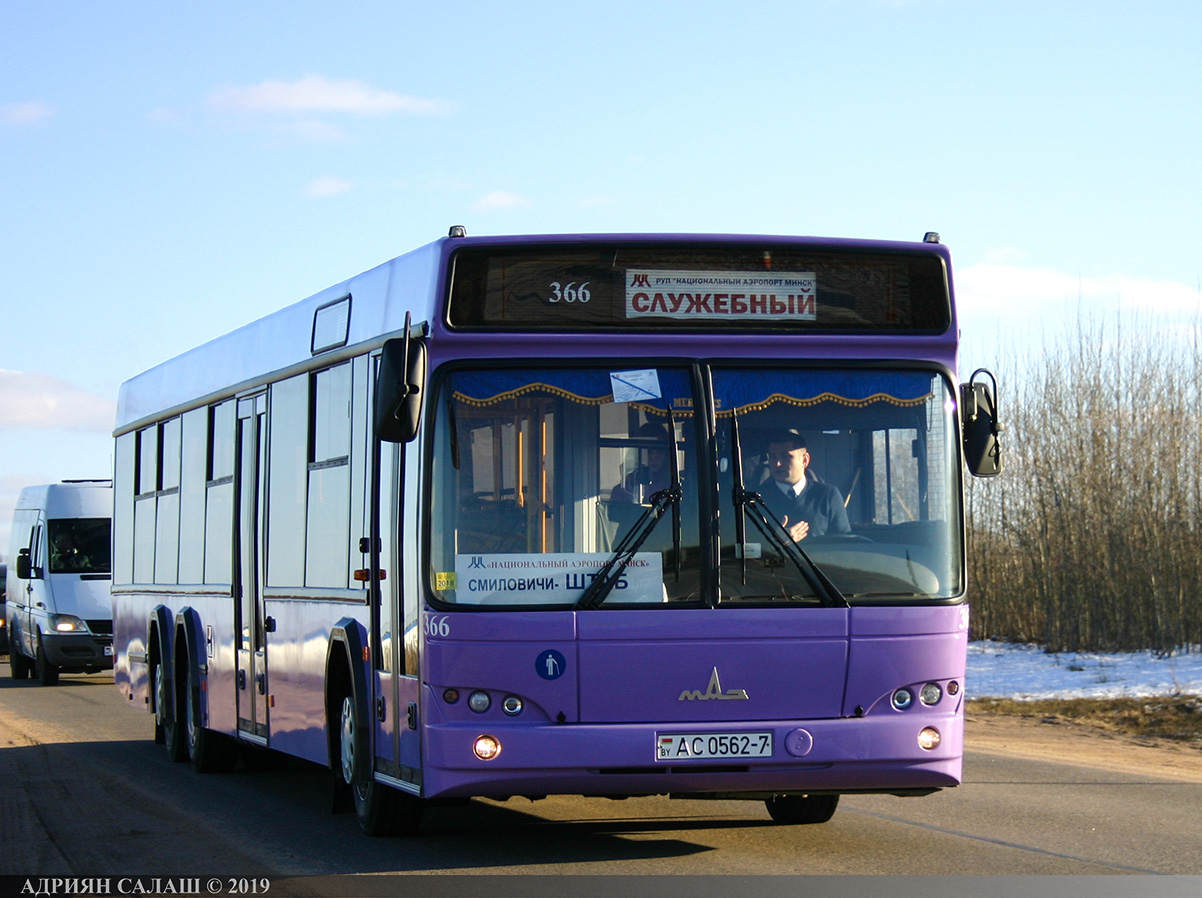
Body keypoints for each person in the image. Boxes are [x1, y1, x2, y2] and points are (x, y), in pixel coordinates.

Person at [759, 428, 851, 542]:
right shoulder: (756, 500)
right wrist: (774, 541)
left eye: (785, 456)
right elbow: (746, 548)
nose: (778, 463)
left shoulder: (827, 495)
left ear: (805, 460)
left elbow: (844, 544)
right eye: (772, 457)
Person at [611, 421, 673, 504]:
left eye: (660, 451)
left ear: (666, 454)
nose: (654, 457)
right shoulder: (624, 488)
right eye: (649, 451)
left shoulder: (673, 485)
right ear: (638, 452)